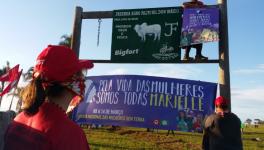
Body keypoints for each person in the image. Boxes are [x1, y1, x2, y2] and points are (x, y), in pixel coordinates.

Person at [4, 45, 94, 150]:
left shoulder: (17, 120)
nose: (83, 80)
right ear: (71, 81)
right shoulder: (70, 134)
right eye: (81, 75)